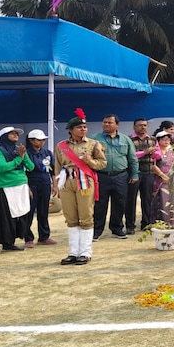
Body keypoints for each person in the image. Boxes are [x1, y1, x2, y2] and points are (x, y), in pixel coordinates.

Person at [55, 109, 107, 265]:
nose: (83, 129)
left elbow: (103, 163)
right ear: (71, 130)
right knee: (70, 217)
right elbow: (57, 167)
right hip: (66, 181)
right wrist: (56, 185)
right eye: (79, 127)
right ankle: (73, 252)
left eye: (84, 127)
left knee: (85, 216)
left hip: (84, 181)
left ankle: (85, 252)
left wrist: (89, 161)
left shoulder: (93, 144)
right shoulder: (61, 146)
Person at [0, 126, 34, 258]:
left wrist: (23, 156)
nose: (15, 135)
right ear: (3, 136)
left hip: (21, 187)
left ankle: (8, 243)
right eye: (12, 133)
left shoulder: (19, 150)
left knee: (17, 216)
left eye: (16, 133)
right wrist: (19, 159)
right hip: (4, 188)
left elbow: (31, 167)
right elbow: (2, 168)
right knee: (1, 218)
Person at [92, 115, 138, 239]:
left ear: (117, 124)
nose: (106, 124)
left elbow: (132, 158)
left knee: (120, 203)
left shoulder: (125, 139)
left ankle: (117, 228)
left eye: (110, 122)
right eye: (104, 122)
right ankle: (96, 230)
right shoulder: (95, 139)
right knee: (100, 204)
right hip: (101, 176)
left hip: (121, 176)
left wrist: (134, 174)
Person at [22, 129, 58, 248]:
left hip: (45, 183)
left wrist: (55, 184)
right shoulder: (26, 153)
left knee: (44, 211)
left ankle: (44, 236)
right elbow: (23, 172)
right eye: (39, 140)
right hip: (31, 183)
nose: (42, 142)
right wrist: (27, 187)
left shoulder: (47, 153)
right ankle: (28, 237)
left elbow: (52, 170)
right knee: (30, 212)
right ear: (32, 141)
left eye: (43, 140)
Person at [125, 118, 160, 232]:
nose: (143, 127)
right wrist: (145, 152)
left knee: (147, 200)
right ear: (134, 127)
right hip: (133, 173)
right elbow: (128, 155)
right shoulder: (129, 139)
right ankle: (130, 226)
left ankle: (146, 224)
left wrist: (154, 152)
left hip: (149, 172)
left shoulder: (153, 139)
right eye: (140, 125)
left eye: (145, 125)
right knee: (130, 200)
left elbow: (159, 154)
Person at [151, 131, 174, 225]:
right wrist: (161, 175)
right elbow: (152, 165)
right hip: (159, 179)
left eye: (168, 139)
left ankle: (172, 221)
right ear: (158, 141)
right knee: (160, 199)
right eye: (163, 139)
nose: (166, 141)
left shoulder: (172, 151)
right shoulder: (155, 151)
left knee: (172, 199)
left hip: (171, 179)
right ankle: (159, 221)